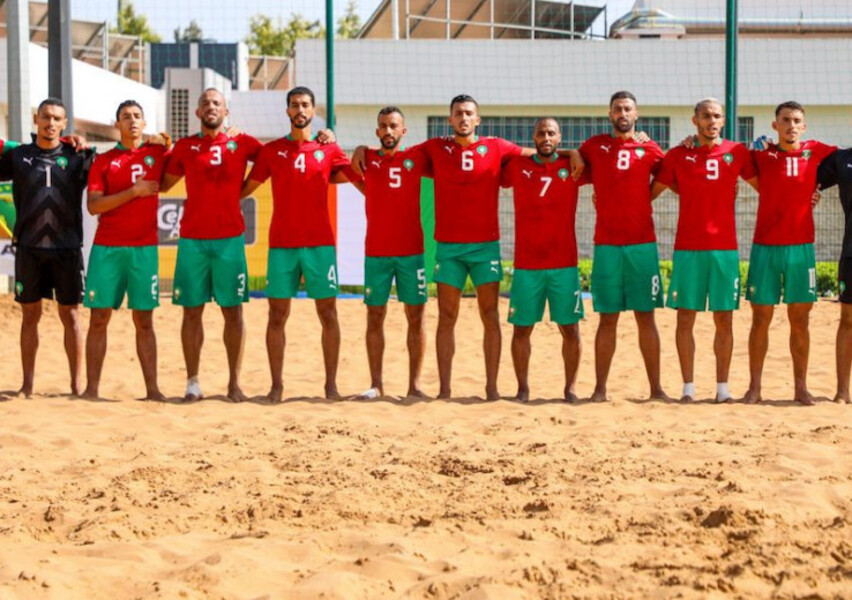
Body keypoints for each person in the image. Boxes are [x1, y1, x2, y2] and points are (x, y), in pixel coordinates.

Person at [353, 94, 583, 400]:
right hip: (449, 248)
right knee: (446, 317)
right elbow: (392, 150)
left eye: (468, 113)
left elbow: (539, 152)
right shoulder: (434, 148)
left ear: (478, 120)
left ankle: (492, 389)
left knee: (490, 316)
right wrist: (360, 148)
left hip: (485, 246)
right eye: (458, 113)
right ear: (450, 120)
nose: (463, 118)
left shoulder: (497, 147)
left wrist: (573, 151)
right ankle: (444, 391)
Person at [240, 86, 360, 401]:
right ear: (287, 111)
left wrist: (353, 149)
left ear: (314, 110)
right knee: (277, 315)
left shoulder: (330, 150)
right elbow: (245, 188)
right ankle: (276, 386)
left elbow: (353, 176)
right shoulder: (272, 151)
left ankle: (331, 386)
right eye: (294, 105)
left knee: (328, 314)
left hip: (320, 244)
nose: (300, 110)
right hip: (282, 245)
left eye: (305, 105)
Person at [651, 98, 757, 403]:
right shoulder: (678, 155)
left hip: (725, 250)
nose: (712, 120)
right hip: (688, 249)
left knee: (724, 320)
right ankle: (688, 388)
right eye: (706, 116)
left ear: (723, 121)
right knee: (686, 319)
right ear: (694, 119)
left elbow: (770, 186)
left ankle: (723, 390)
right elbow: (650, 193)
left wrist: (810, 196)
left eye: (717, 116)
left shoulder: (736, 152)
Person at [161, 89, 261, 402]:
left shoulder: (243, 142)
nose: (211, 107)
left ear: (226, 111)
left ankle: (234, 384)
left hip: (230, 239)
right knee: (192, 313)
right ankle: (193, 383)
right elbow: (164, 184)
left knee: (233, 313)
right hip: (192, 239)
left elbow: (277, 157)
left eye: (216, 103)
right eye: (205, 103)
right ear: (197, 113)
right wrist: (159, 149)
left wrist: (326, 137)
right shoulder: (186, 146)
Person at [0, 98, 95, 397]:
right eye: (45, 117)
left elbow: (108, 175)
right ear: (36, 120)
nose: (50, 123)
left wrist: (83, 142)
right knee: (30, 316)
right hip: (29, 247)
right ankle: (27, 385)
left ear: (64, 123)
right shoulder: (18, 155)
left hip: (66, 248)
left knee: (71, 316)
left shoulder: (78, 156)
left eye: (56, 119)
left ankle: (76, 385)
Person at [579, 91, 669, 402]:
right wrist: (573, 155)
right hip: (606, 245)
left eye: (627, 108)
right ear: (609, 114)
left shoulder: (649, 148)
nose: (622, 112)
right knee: (608, 317)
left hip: (642, 245)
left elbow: (670, 174)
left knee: (646, 316)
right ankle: (600, 389)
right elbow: (571, 158)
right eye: (617, 108)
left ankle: (656, 389)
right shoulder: (594, 146)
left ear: (636, 113)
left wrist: (647, 196)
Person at [743, 101, 835, 405]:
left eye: (796, 120)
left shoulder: (817, 150)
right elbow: (725, 151)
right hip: (765, 247)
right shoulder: (760, 152)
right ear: (775, 125)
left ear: (804, 126)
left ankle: (800, 387)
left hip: (801, 248)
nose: (791, 125)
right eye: (785, 120)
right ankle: (754, 388)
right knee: (760, 318)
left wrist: (817, 189)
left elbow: (843, 160)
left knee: (800, 320)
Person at [82, 100, 171, 401]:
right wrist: (134, 192)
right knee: (99, 318)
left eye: (137, 116)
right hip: (108, 248)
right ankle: (91, 390)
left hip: (143, 250)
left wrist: (166, 141)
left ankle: (153, 390)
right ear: (117, 124)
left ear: (144, 124)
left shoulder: (157, 154)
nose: (132, 121)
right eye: (125, 117)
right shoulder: (104, 161)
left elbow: (184, 156)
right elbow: (94, 206)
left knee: (144, 320)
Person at [502, 118, 588, 402]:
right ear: (534, 137)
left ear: (559, 137)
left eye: (551, 133)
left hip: (564, 264)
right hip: (528, 265)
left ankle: (570, 389)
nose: (546, 137)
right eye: (541, 133)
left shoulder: (573, 167)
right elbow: (500, 161)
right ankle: (522, 389)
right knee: (522, 329)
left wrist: (571, 153)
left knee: (571, 329)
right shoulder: (517, 166)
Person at [354, 106, 429, 399]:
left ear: (403, 131)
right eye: (383, 126)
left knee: (416, 317)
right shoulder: (367, 158)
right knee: (375, 317)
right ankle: (377, 384)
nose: (388, 131)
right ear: (377, 132)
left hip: (412, 252)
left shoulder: (416, 157)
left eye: (393, 126)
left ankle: (414, 385)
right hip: (377, 253)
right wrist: (360, 148)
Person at [817, 142, 852, 404]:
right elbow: (803, 176)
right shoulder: (841, 159)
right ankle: (842, 391)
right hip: (851, 252)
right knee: (848, 319)